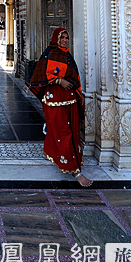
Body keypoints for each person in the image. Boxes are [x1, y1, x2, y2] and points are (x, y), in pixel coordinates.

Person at [29, 27, 92, 187]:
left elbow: (73, 77)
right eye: (62, 37)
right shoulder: (49, 54)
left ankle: (51, 153)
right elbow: (40, 74)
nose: (64, 40)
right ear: (56, 38)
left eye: (66, 37)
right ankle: (75, 171)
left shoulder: (67, 55)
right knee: (63, 133)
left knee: (67, 131)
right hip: (54, 100)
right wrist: (59, 81)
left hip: (70, 100)